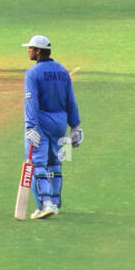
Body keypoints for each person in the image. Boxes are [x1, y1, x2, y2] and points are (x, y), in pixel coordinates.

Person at [21, 34, 81, 219]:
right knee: (54, 162)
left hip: (41, 123)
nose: (29, 51)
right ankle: (54, 201)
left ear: (38, 51)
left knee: (37, 162)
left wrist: (30, 127)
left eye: (31, 48)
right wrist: (75, 126)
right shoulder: (63, 71)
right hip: (60, 123)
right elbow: (70, 100)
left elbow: (31, 103)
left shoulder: (33, 73)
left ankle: (45, 203)